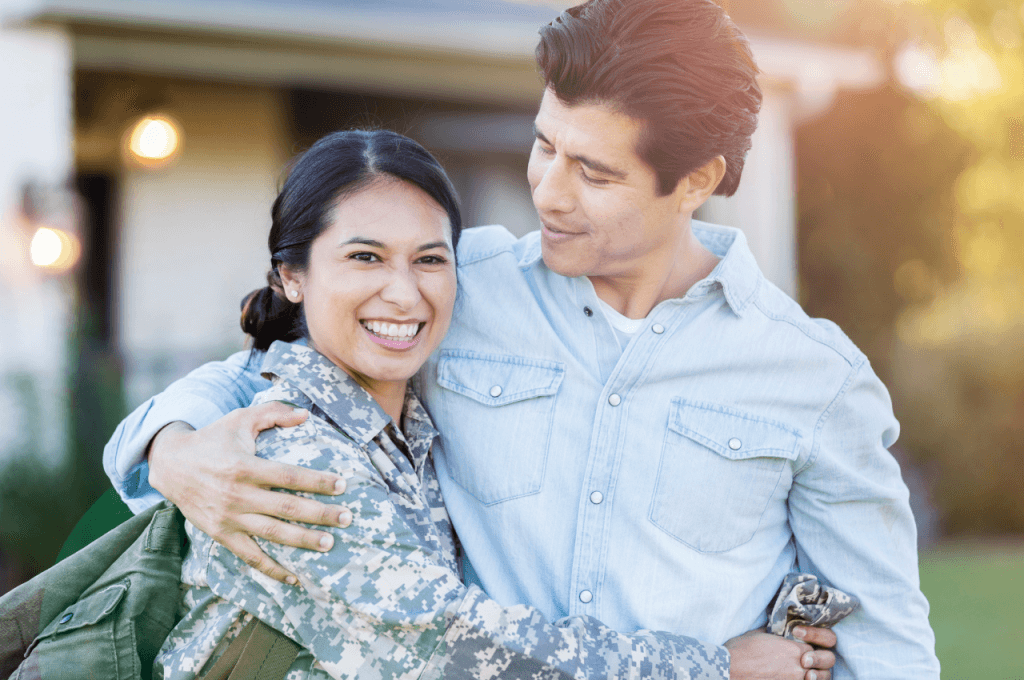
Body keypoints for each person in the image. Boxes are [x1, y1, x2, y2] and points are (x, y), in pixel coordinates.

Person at [105, 0, 938, 677]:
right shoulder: (454, 285)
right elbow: (270, 370)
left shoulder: (813, 377)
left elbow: (886, 640)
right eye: (544, 145)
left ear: (697, 181)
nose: (548, 191)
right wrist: (174, 448)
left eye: (595, 172)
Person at [154, 128, 826, 679]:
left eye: (429, 259)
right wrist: (718, 667)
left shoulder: (412, 427)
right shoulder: (290, 450)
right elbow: (462, 650)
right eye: (364, 257)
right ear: (291, 276)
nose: (403, 294)